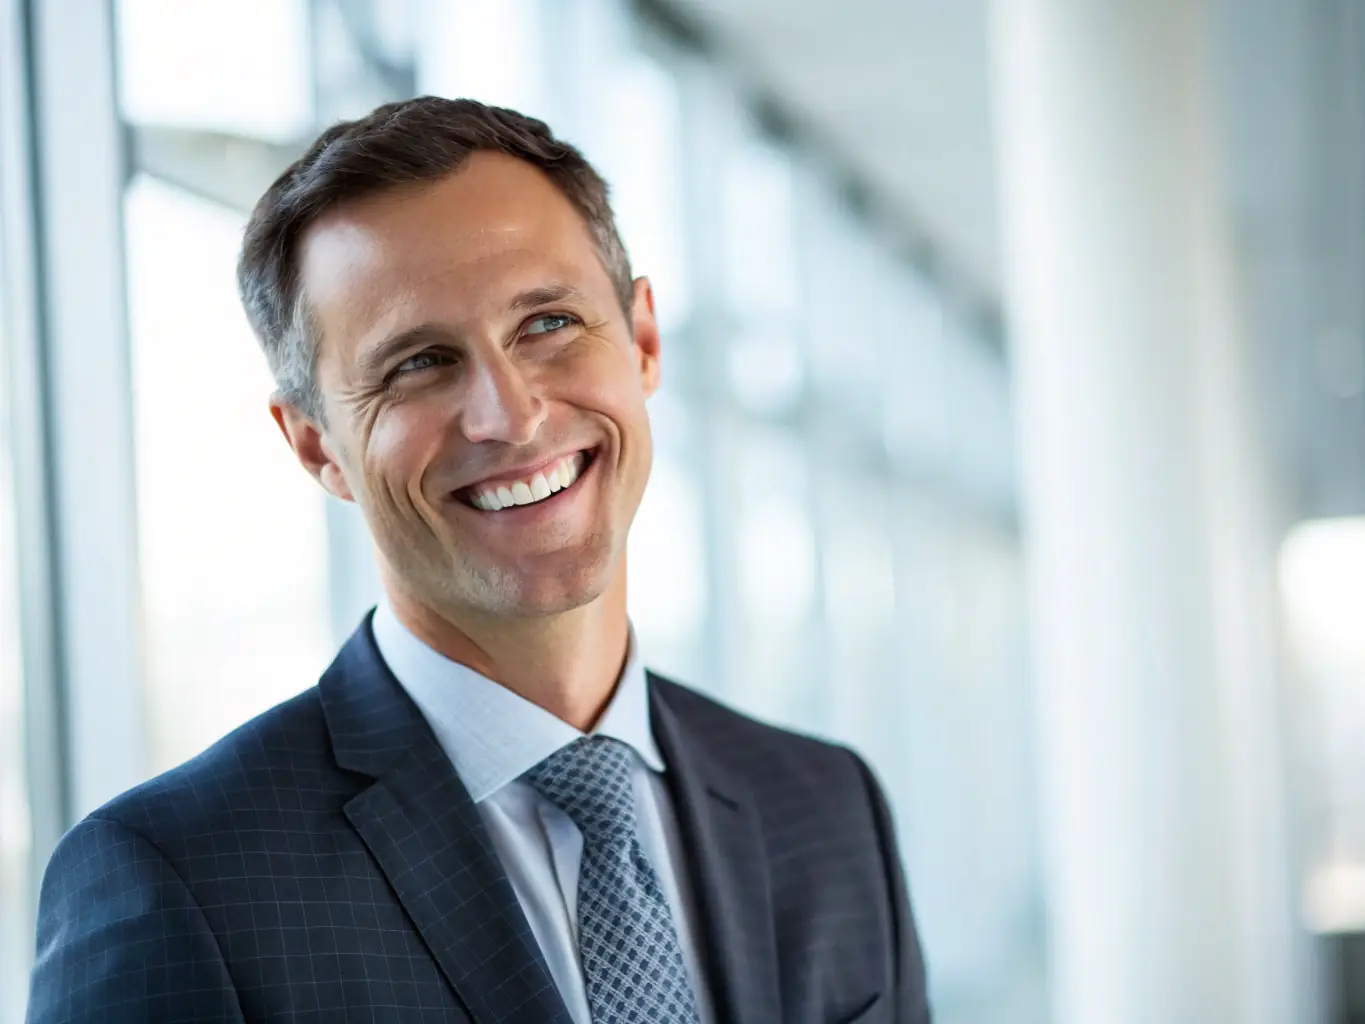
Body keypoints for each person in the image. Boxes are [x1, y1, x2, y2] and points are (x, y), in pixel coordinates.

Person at [27, 97, 930, 1024]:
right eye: (417, 363)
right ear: (316, 446)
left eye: (547, 325)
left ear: (644, 339)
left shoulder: (827, 809)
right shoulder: (179, 880)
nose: (510, 416)